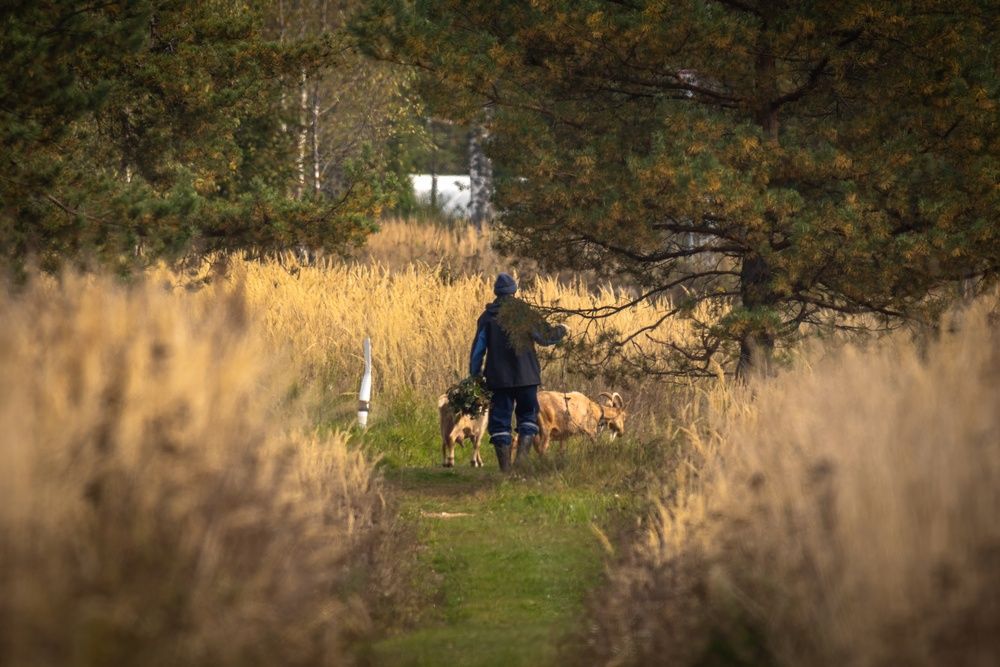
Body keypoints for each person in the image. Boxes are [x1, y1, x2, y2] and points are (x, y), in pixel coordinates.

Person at [468, 272, 566, 471]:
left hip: (498, 380)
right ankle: (521, 463)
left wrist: (475, 375)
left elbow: (478, 350)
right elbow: (545, 338)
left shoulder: (487, 318)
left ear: (496, 293)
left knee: (499, 423)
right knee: (528, 418)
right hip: (527, 377)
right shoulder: (525, 314)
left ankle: (506, 470)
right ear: (514, 292)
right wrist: (562, 330)